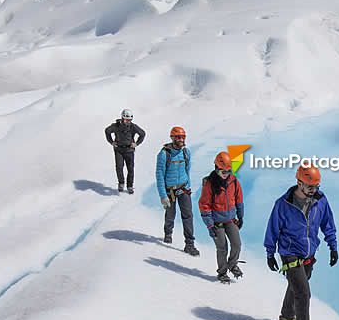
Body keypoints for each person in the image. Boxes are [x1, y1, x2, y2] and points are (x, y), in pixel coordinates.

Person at [263, 163, 338, 320]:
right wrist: (270, 253)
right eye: (310, 186)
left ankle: (287, 316)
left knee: (296, 286)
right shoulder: (283, 204)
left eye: (316, 186)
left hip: (309, 253)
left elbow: (328, 223)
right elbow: (273, 228)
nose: (314, 190)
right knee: (303, 293)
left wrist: (333, 246)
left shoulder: (320, 200)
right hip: (290, 253)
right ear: (299, 183)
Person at [199, 151, 245, 283]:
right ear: (216, 169)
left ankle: (232, 264)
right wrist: (209, 225)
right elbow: (204, 204)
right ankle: (222, 272)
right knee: (222, 248)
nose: (226, 175)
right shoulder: (210, 184)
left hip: (230, 220)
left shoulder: (234, 181)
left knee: (237, 244)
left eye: (228, 171)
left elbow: (239, 200)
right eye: (223, 172)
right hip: (216, 223)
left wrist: (240, 217)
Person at [156, 126, 198, 256]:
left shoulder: (186, 152)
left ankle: (189, 244)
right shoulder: (164, 154)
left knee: (188, 216)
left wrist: (188, 186)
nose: (181, 139)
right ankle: (168, 233)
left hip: (184, 189)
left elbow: (187, 170)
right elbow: (159, 175)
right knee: (170, 214)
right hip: (170, 191)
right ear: (172, 138)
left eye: (183, 137)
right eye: (178, 137)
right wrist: (163, 196)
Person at [105, 109, 146, 194]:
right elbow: (107, 131)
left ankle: (130, 186)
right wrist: (111, 142)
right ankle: (121, 183)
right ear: (122, 118)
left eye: (130, 120)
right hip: (118, 150)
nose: (128, 121)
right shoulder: (116, 126)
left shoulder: (133, 126)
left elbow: (142, 134)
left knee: (130, 169)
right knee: (119, 167)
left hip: (129, 150)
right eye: (127, 120)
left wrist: (136, 143)